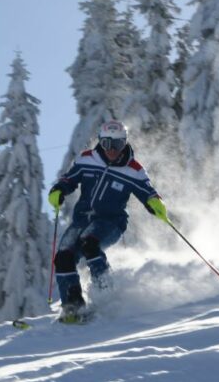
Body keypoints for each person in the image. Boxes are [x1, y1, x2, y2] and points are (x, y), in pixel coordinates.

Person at [47, 119, 169, 322]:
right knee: (63, 257)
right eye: (107, 144)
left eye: (118, 145)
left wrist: (155, 203)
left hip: (111, 222)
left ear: (125, 143)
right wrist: (59, 189)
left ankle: (106, 295)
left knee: (90, 244)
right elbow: (69, 179)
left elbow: (148, 192)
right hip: (82, 220)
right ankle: (73, 306)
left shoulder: (133, 170)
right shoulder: (87, 159)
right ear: (101, 142)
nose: (112, 150)